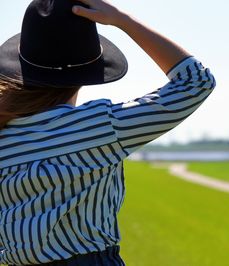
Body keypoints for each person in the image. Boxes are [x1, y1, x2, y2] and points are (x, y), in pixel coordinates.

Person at [0, 0, 216, 265]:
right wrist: (122, 20)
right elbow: (196, 82)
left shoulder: (4, 134)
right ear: (87, 70)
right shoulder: (98, 127)